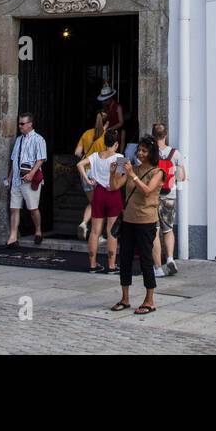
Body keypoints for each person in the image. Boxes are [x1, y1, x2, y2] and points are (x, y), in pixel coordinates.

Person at [111, 135, 164, 316]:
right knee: (124, 259)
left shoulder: (157, 172)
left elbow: (147, 191)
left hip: (146, 221)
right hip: (128, 220)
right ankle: (125, 298)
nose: (140, 154)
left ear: (151, 153)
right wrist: (113, 172)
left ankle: (150, 300)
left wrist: (132, 175)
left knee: (145, 260)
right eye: (139, 150)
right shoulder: (132, 168)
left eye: (144, 151)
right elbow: (114, 186)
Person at [76, 127, 125, 273]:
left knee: (95, 231)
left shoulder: (96, 156)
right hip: (113, 192)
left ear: (104, 142)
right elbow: (120, 177)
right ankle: (111, 265)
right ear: (116, 144)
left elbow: (79, 165)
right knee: (111, 231)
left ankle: (92, 264)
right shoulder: (120, 157)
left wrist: (88, 180)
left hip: (98, 192)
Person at [150, 122, 186, 277]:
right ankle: (170, 258)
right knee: (168, 229)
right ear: (165, 135)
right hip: (169, 195)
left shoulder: (149, 153)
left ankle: (157, 267)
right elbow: (183, 176)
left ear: (153, 135)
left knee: (154, 231)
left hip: (152, 195)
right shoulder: (175, 153)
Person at [6, 112, 46, 246]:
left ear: (30, 124)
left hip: (30, 179)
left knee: (33, 208)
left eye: (22, 124)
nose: (20, 126)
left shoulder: (38, 139)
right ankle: (12, 237)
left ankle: (38, 230)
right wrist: (10, 177)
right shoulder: (18, 139)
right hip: (17, 180)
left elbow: (41, 159)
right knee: (14, 208)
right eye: (19, 123)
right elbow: (14, 160)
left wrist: (32, 174)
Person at [73, 109, 110, 239]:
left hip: (85, 172)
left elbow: (77, 152)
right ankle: (98, 235)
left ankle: (84, 223)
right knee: (101, 205)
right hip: (99, 174)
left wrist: (85, 156)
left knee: (94, 203)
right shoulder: (107, 136)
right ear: (107, 123)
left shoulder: (87, 133)